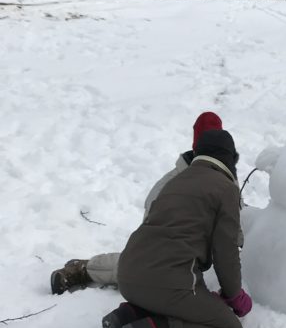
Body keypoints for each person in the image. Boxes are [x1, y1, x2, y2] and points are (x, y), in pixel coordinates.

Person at [102, 128, 251, 328]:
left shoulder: (174, 181)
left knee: (164, 294)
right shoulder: (225, 189)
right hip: (170, 281)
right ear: (229, 159)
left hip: (128, 275)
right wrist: (234, 295)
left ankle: (127, 316)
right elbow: (226, 251)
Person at [50, 112, 223, 294]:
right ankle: (84, 269)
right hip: (170, 256)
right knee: (140, 269)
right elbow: (151, 240)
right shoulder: (168, 187)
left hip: (208, 255)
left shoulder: (224, 178)